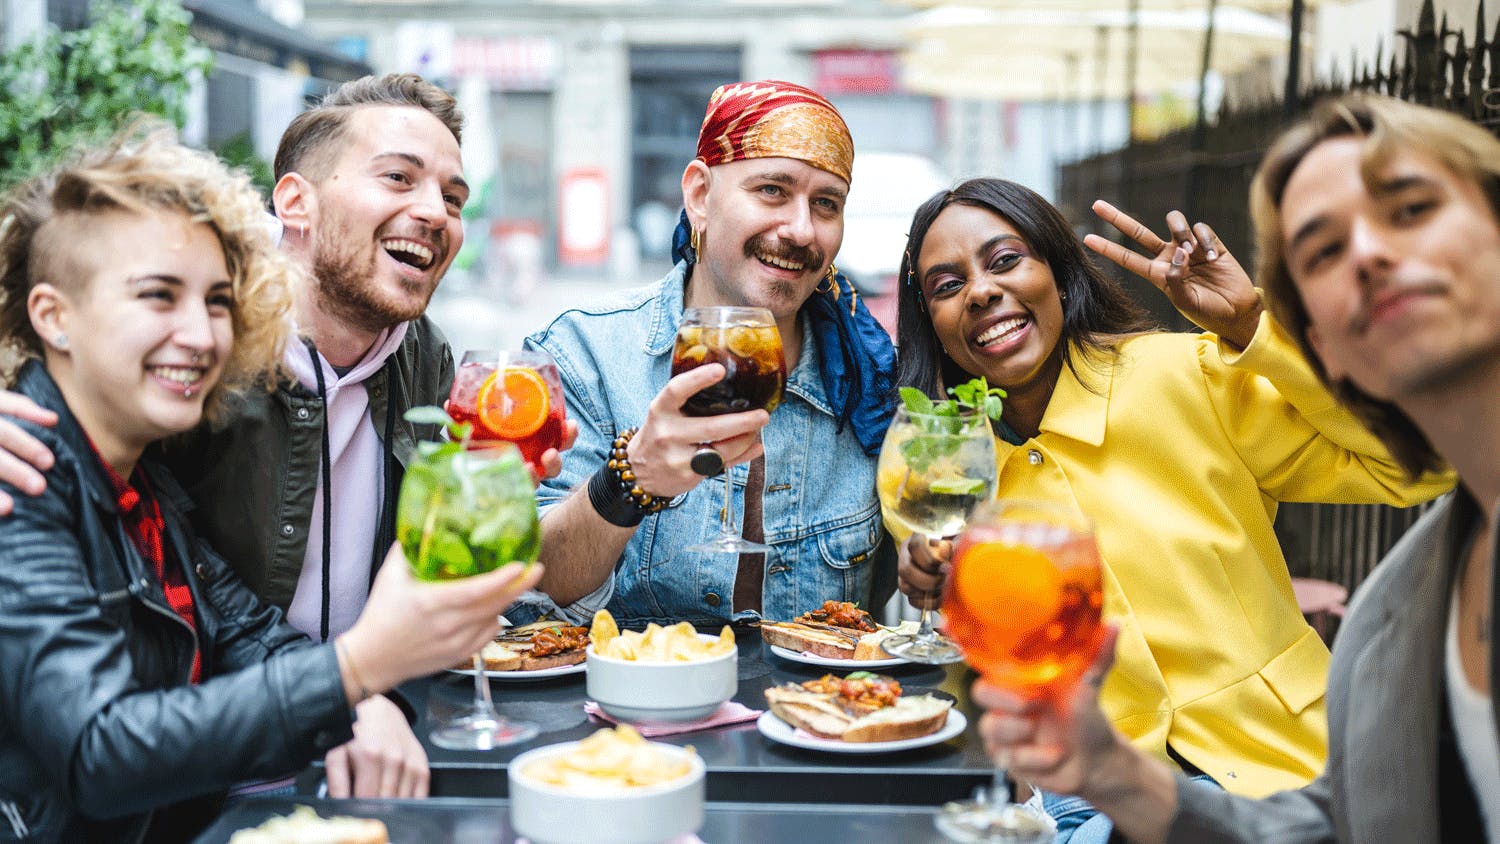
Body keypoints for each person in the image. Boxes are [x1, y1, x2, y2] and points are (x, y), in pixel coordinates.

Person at [0, 73, 574, 799]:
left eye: (217, 303)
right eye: (157, 296)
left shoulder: (140, 469)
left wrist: (364, 691)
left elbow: (236, 623)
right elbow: (101, 751)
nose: (202, 335)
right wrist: (355, 672)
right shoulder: (27, 473)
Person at [891, 176, 1454, 840]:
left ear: (1061, 274)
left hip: (1286, 764)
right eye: (946, 286)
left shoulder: (1189, 375)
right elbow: (969, 662)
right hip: (1089, 797)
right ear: (931, 320)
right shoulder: (934, 456)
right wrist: (932, 587)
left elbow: (1420, 466)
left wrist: (1254, 328)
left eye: (1006, 260)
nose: (982, 291)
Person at [515, 80, 897, 627]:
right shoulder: (583, 356)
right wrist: (632, 480)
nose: (800, 229)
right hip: (631, 711)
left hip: (820, 710)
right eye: (771, 190)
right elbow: (531, 590)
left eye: (826, 204)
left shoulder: (872, 387)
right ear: (699, 196)